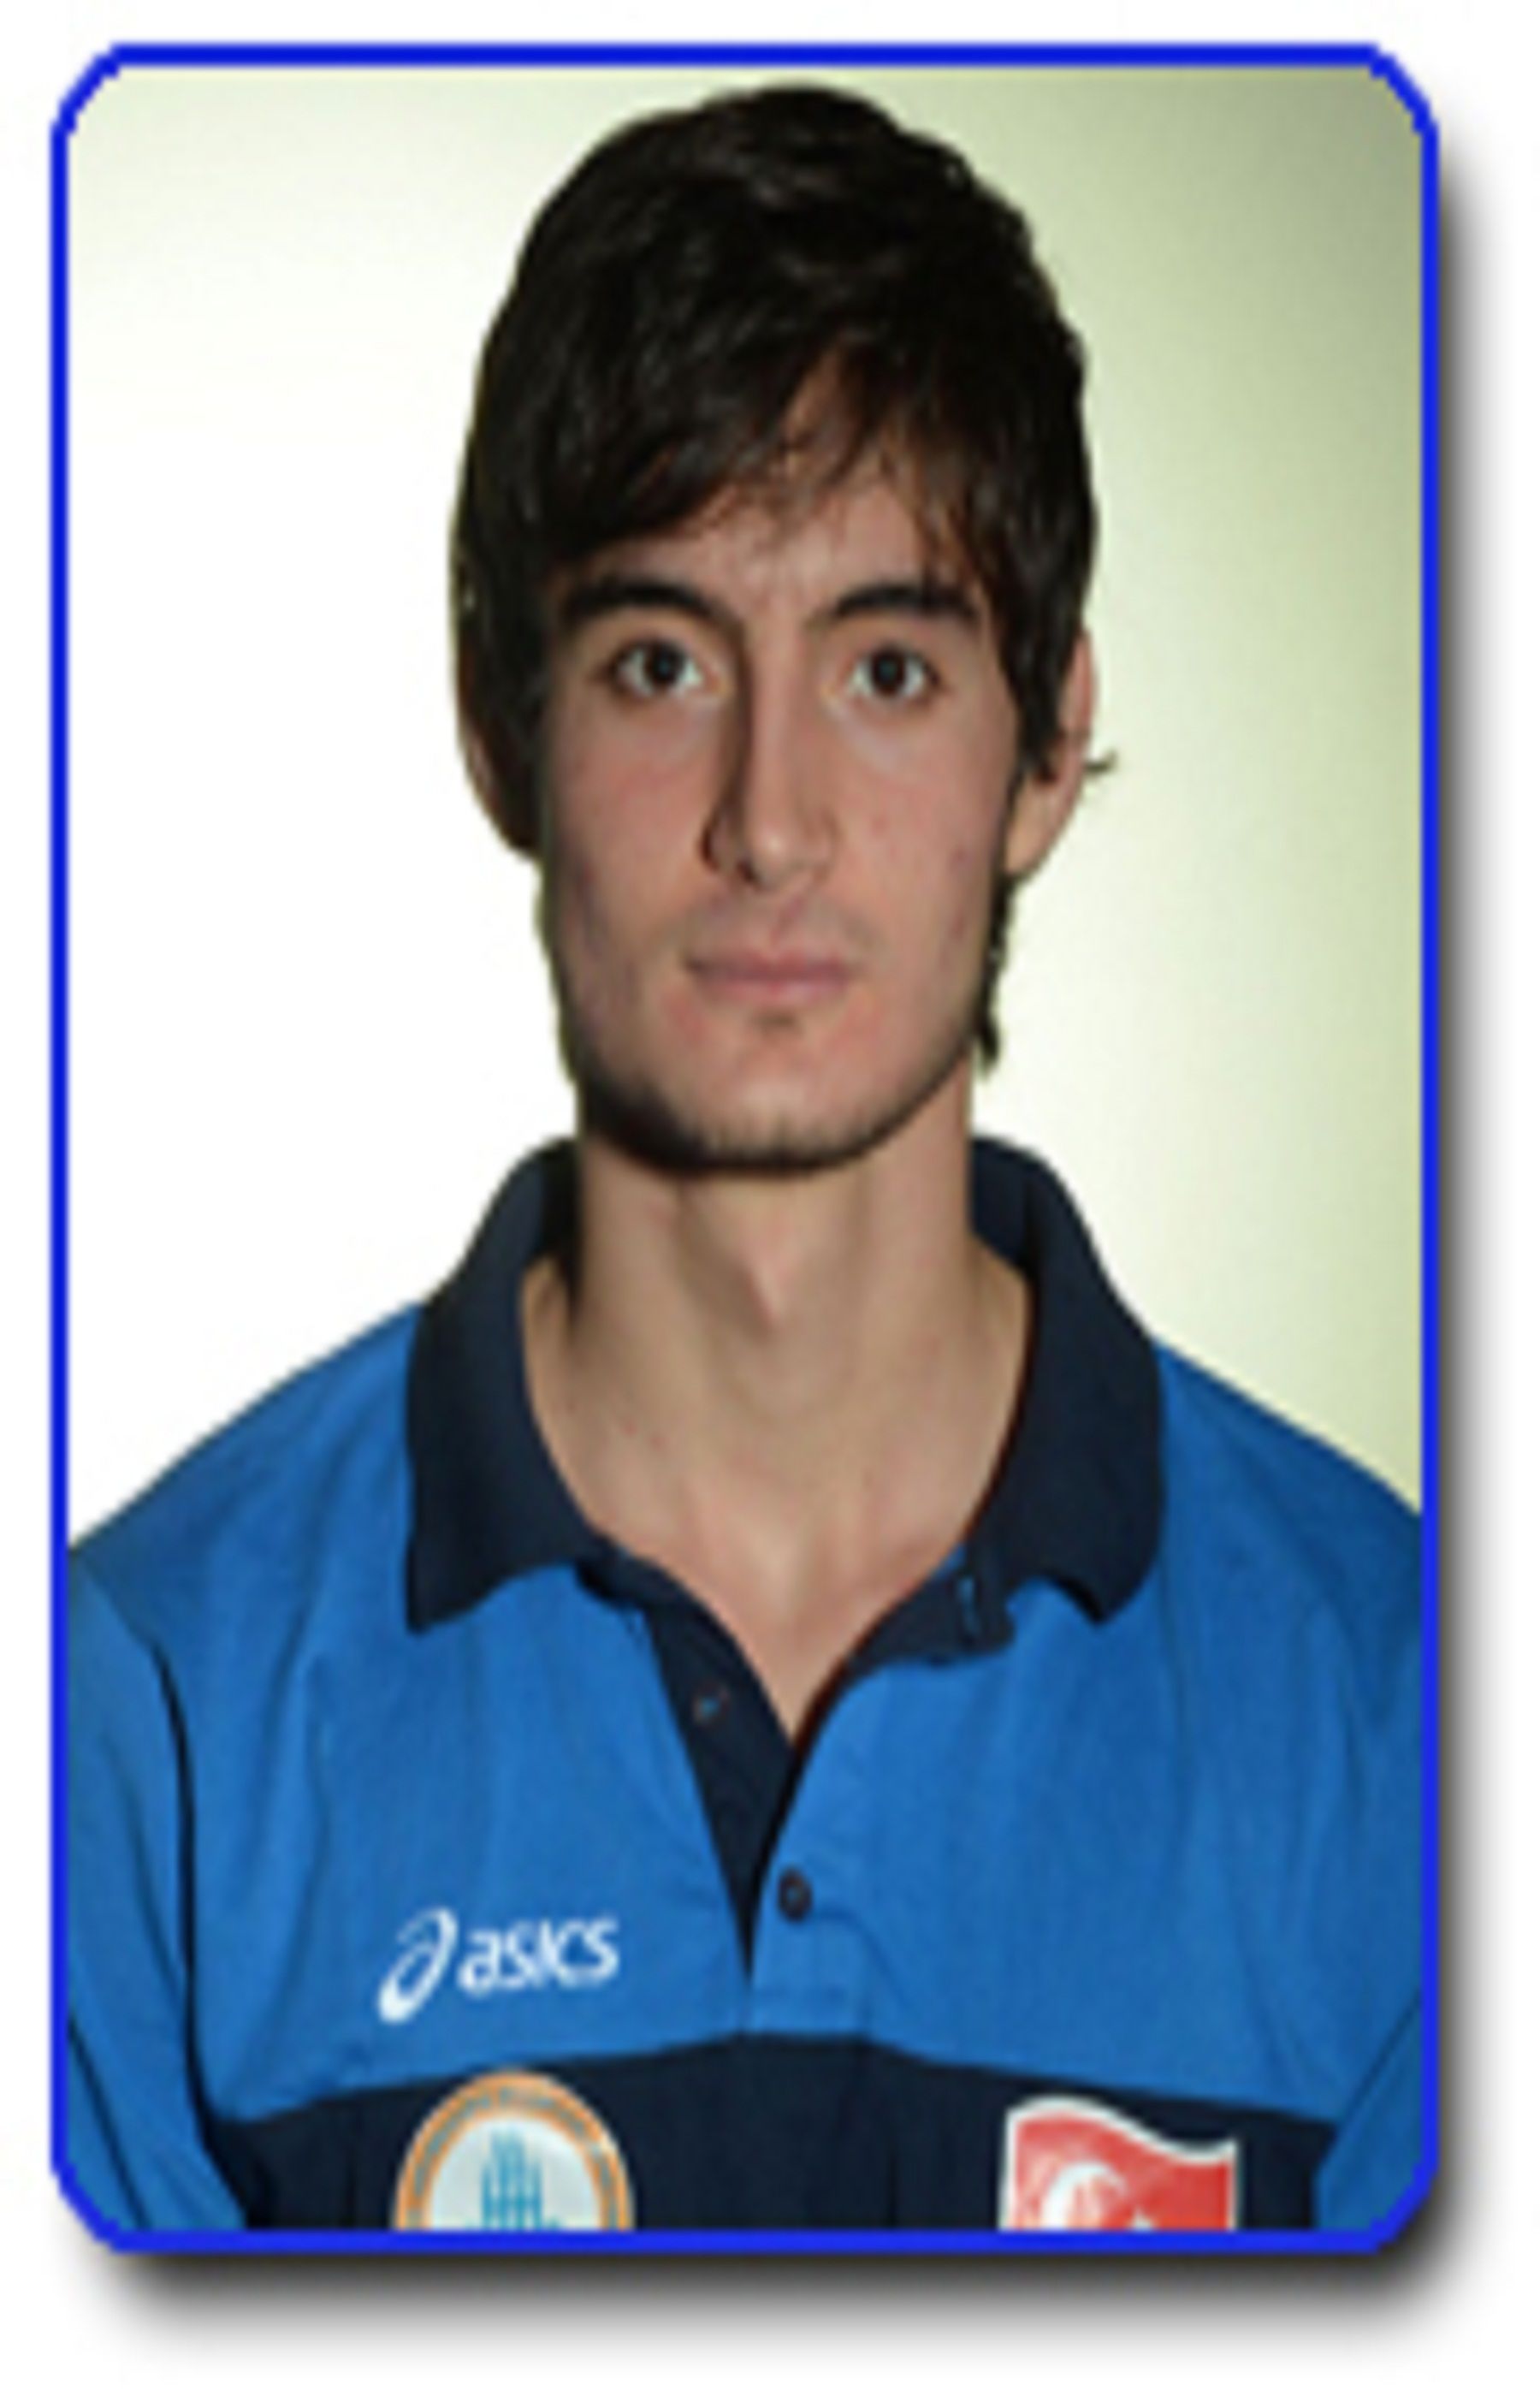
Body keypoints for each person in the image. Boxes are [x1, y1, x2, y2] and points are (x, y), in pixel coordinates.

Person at [65, 81, 1422, 2240]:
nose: (769, 820)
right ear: (501, 726)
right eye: (661, 661)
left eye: (887, 667)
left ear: (1047, 741)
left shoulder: (1408, 1703)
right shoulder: (145, 1708)